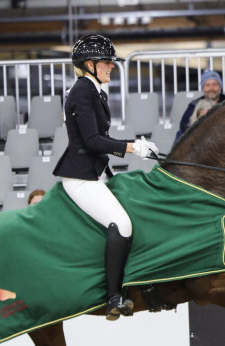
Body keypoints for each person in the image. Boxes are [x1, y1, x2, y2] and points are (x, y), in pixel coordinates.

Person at [53, 34, 159, 320]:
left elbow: (101, 139)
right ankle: (113, 297)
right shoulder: (81, 92)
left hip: (96, 171)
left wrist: (137, 145)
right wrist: (132, 147)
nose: (112, 67)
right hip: (81, 176)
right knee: (121, 223)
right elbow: (91, 140)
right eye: (108, 63)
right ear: (90, 64)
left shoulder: (94, 90)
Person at [174, 70, 225, 144]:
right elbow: (184, 127)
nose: (211, 88)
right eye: (207, 85)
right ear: (203, 88)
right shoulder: (193, 105)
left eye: (215, 85)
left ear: (220, 87)